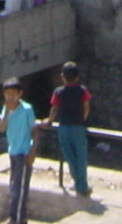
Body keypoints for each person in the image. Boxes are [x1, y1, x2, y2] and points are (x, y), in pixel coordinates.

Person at [45, 61, 91, 197]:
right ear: (77, 77)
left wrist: (49, 120)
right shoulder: (82, 90)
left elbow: (54, 109)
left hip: (64, 127)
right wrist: (83, 119)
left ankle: (77, 182)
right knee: (81, 156)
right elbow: (86, 107)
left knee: (69, 156)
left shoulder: (58, 92)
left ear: (62, 77)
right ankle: (82, 185)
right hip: (78, 126)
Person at [0, 76, 37, 224]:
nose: (11, 97)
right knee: (14, 186)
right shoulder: (6, 109)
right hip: (13, 151)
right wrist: (7, 112)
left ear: (20, 94)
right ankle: (19, 218)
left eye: (14, 94)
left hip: (24, 152)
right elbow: (1, 128)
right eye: (8, 94)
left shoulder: (27, 109)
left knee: (20, 190)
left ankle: (16, 219)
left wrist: (33, 151)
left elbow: (35, 131)